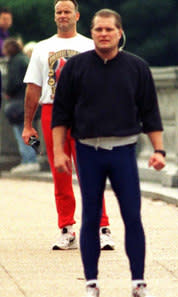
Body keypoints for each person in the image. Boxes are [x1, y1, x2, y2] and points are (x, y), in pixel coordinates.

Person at [52, 8, 165, 297]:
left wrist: (159, 149)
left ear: (119, 32)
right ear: (91, 33)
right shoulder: (75, 68)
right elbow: (60, 114)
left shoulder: (137, 67)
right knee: (91, 218)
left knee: (132, 216)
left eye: (109, 30)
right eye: (98, 29)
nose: (104, 34)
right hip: (88, 151)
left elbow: (150, 112)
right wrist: (59, 152)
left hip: (124, 151)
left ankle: (138, 283)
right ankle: (91, 285)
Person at [22, 0, 115, 251]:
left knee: (91, 172)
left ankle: (101, 228)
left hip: (85, 112)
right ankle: (66, 228)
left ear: (77, 15)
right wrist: (28, 124)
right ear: (55, 17)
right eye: (58, 12)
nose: (63, 15)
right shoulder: (43, 48)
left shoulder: (90, 45)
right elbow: (33, 88)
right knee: (60, 173)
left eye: (67, 12)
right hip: (53, 111)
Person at [2, 38, 40, 173]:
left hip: (18, 102)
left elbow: (14, 82)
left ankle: (29, 160)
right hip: (32, 101)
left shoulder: (14, 62)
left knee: (21, 132)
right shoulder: (25, 59)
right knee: (32, 131)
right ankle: (36, 157)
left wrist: (8, 92)